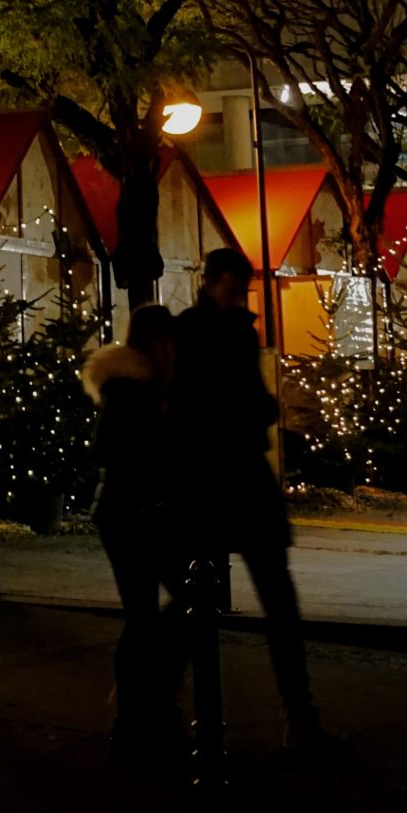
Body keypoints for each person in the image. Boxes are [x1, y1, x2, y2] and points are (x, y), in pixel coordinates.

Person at [172, 247, 336, 755]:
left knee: (229, 598)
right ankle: (297, 716)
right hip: (221, 476)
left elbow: (222, 399)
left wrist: (252, 406)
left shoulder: (231, 331)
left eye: (241, 286)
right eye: (234, 285)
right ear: (214, 282)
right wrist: (255, 407)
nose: (239, 293)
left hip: (224, 477)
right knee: (223, 598)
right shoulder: (202, 333)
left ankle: (297, 714)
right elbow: (209, 402)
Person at [82, 303, 185, 762]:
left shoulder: (161, 387)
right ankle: (138, 714)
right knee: (146, 616)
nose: (172, 350)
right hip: (129, 515)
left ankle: (146, 707)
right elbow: (109, 449)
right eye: (165, 341)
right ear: (151, 343)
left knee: (167, 611)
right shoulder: (129, 387)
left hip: (148, 514)